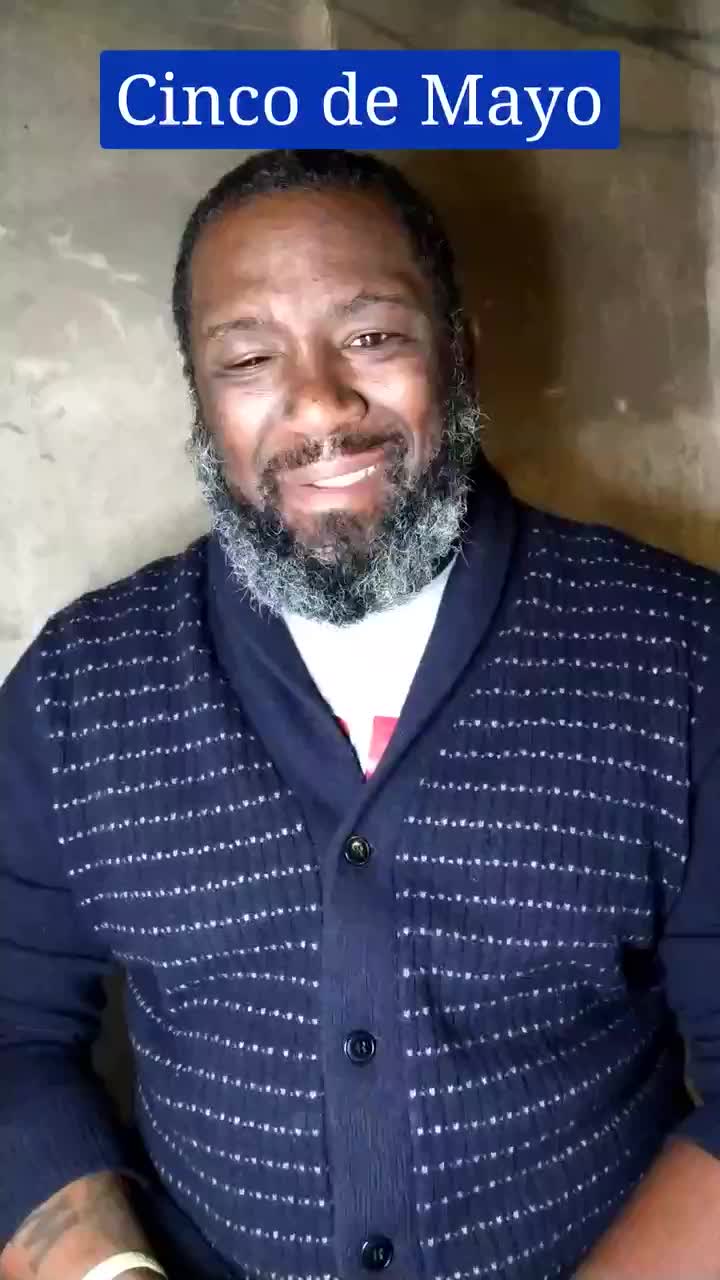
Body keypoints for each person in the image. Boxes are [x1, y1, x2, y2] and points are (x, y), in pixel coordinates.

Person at [1, 148, 720, 1280]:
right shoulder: (79, 690)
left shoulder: (678, 652)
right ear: (201, 399)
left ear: (460, 350)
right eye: (249, 358)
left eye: (373, 335)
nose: (320, 402)